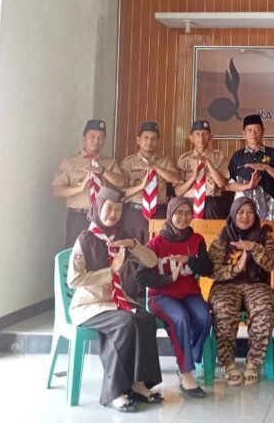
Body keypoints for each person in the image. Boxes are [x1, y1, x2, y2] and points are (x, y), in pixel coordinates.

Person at [67, 186, 161, 412]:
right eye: (109, 208)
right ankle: (114, 391)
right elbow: (74, 280)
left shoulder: (122, 237)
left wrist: (134, 245)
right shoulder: (86, 239)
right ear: (99, 208)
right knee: (124, 322)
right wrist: (110, 272)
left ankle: (139, 383)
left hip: (117, 301)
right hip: (90, 305)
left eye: (118, 210)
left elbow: (152, 262)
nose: (113, 214)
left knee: (146, 319)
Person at [144, 197, 214, 398]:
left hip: (189, 294)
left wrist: (190, 260)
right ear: (170, 214)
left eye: (188, 213)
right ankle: (186, 373)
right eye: (179, 213)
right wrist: (168, 279)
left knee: (204, 317)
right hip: (161, 296)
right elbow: (142, 277)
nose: (184, 218)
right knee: (180, 318)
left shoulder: (197, 240)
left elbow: (208, 269)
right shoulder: (155, 243)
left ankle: (187, 357)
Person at [207, 197, 274, 386]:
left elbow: (271, 264)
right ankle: (228, 363)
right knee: (223, 310)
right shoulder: (223, 237)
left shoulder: (264, 236)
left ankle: (253, 362)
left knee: (264, 308)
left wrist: (254, 248)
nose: (245, 216)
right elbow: (213, 270)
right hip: (226, 285)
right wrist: (237, 268)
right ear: (233, 214)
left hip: (257, 285)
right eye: (240, 212)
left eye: (250, 212)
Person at [53, 119, 126, 247]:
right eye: (92, 136)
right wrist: (80, 188)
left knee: (101, 252)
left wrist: (103, 171)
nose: (96, 140)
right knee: (75, 252)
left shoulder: (109, 162)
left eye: (100, 137)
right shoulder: (69, 162)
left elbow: (121, 182)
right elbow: (57, 190)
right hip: (78, 216)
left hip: (102, 217)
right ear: (84, 138)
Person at [119, 120, 180, 240]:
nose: (149, 142)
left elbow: (176, 178)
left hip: (159, 211)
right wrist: (140, 187)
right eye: (145, 138)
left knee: (157, 246)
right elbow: (122, 191)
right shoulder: (128, 162)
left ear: (157, 141)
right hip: (134, 212)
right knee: (133, 247)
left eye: (153, 139)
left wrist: (155, 167)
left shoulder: (165, 161)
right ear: (138, 140)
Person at [226, 114, 274, 221]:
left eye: (257, 130)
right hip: (242, 211)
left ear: (263, 131)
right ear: (244, 133)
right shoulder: (237, 156)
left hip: (268, 209)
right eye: (249, 130)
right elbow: (228, 186)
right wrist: (248, 185)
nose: (253, 134)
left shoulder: (273, 153)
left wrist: (267, 168)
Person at [176, 120, 229, 219]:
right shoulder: (183, 159)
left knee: (213, 229)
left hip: (212, 203)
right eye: (197, 134)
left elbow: (221, 184)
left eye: (205, 134)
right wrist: (193, 178)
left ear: (210, 137)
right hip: (189, 202)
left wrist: (208, 163)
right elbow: (178, 192)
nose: (201, 138)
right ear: (191, 138)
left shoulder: (219, 156)